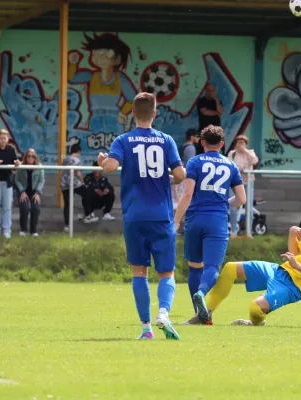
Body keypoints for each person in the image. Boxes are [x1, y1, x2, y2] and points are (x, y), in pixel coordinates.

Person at [180, 195, 301, 326]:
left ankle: (255, 323)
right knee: (230, 268)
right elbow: (295, 252)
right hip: (280, 270)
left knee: (255, 309)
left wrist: (298, 266)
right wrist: (292, 232)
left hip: (293, 287)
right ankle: (205, 315)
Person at [98, 92, 186, 340]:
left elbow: (111, 167)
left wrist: (103, 161)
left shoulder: (123, 140)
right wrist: (168, 176)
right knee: (166, 273)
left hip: (135, 216)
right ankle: (164, 313)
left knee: (139, 272)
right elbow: (180, 175)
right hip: (161, 215)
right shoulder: (166, 140)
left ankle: (146, 328)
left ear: (133, 114)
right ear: (155, 114)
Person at [174, 125, 246, 324]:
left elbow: (187, 194)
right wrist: (223, 203)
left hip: (195, 219)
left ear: (202, 142)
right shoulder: (230, 165)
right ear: (222, 144)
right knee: (212, 267)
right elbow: (241, 198)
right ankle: (201, 293)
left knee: (194, 267)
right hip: (217, 221)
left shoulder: (195, 162)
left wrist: (177, 220)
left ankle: (199, 314)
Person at [227, 135, 259, 237]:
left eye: (242, 142)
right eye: (238, 142)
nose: (240, 144)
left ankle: (249, 232)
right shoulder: (232, 153)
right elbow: (229, 165)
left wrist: (245, 151)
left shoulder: (250, 153)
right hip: (234, 183)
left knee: (249, 207)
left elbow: (255, 161)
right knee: (232, 206)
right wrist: (238, 169)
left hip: (248, 183)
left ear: (246, 144)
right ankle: (234, 231)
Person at [61, 143, 97, 230]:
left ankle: (67, 225)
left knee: (67, 204)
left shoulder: (65, 159)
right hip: (75, 183)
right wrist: (83, 182)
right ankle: (88, 215)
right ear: (78, 151)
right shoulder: (77, 160)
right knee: (87, 194)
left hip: (64, 184)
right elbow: (78, 173)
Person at [15, 148, 45, 237]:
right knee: (24, 208)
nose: (30, 158)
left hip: (35, 191)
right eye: (28, 156)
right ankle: (23, 229)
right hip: (23, 190)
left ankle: (33, 230)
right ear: (26, 157)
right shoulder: (21, 167)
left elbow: (41, 181)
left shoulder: (39, 167)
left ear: (35, 158)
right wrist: (22, 191)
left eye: (33, 156)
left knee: (35, 208)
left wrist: (37, 192)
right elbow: (17, 180)